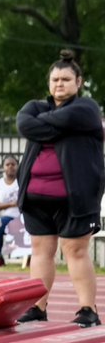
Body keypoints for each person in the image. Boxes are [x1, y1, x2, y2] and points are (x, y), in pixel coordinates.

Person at [15, 50, 105, 327]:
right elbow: (24, 123)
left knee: (75, 250)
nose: (59, 84)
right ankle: (37, 307)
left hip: (75, 197)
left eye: (66, 79)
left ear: (78, 82)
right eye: (55, 79)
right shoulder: (35, 107)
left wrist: (42, 126)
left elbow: (49, 123)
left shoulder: (86, 109)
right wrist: (51, 125)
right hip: (36, 197)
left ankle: (88, 309)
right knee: (41, 250)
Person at [0, 155, 20, 267]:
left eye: (13, 164)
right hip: (7, 217)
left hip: (23, 216)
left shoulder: (22, 181)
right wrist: (11, 204)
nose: (10, 167)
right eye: (7, 164)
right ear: (3, 167)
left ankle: (29, 258)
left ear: (18, 166)